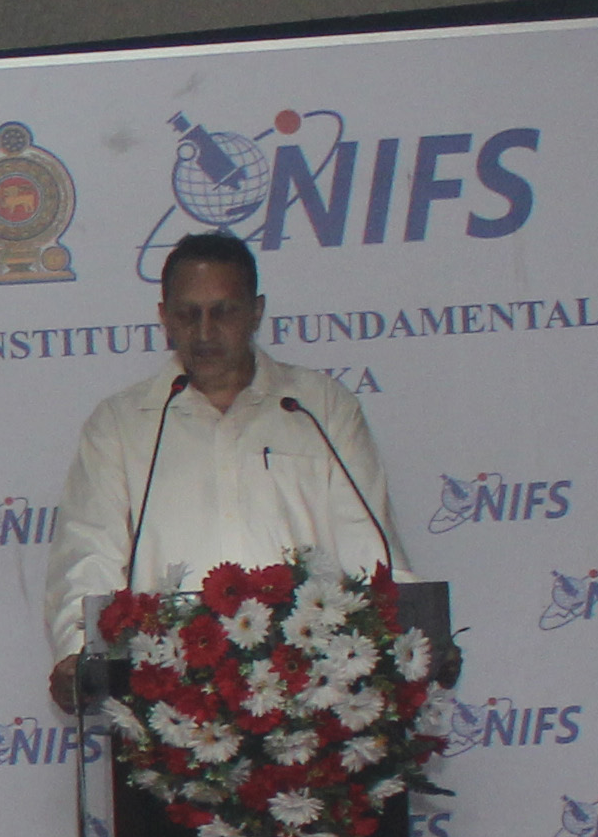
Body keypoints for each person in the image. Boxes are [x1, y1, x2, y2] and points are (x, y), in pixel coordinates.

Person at [41, 227, 397, 717]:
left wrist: (398, 636)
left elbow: (369, 552)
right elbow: (88, 555)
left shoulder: (320, 408)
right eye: (188, 314)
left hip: (311, 695)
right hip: (171, 703)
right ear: (164, 317)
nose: (204, 332)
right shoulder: (122, 425)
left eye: (223, 312)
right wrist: (81, 654)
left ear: (256, 311)